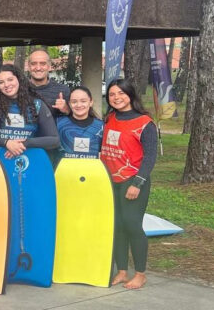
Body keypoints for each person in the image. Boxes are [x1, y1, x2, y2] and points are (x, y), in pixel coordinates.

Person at [100, 79, 158, 290]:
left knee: (132, 225)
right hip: (111, 181)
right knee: (118, 226)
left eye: (121, 93)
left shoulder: (145, 123)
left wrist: (138, 184)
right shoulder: (110, 118)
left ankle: (140, 274)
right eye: (112, 94)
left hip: (132, 181)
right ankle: (122, 271)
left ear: (130, 94)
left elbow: (150, 157)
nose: (116, 97)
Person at [0, 64, 60, 159]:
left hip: (28, 160)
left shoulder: (37, 105)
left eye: (10, 79)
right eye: (1, 82)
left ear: (19, 80)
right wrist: (6, 142)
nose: (6, 85)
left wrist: (24, 143)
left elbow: (54, 140)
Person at [55, 86, 103, 159]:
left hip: (92, 166)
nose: (79, 105)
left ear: (91, 102)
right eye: (74, 102)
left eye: (83, 101)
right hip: (64, 166)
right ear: (69, 104)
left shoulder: (101, 126)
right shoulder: (59, 123)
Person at [27, 49, 71, 118]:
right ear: (29, 67)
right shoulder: (19, 89)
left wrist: (67, 109)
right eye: (33, 64)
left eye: (43, 64)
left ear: (49, 66)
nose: (38, 68)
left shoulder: (63, 91)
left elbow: (77, 118)